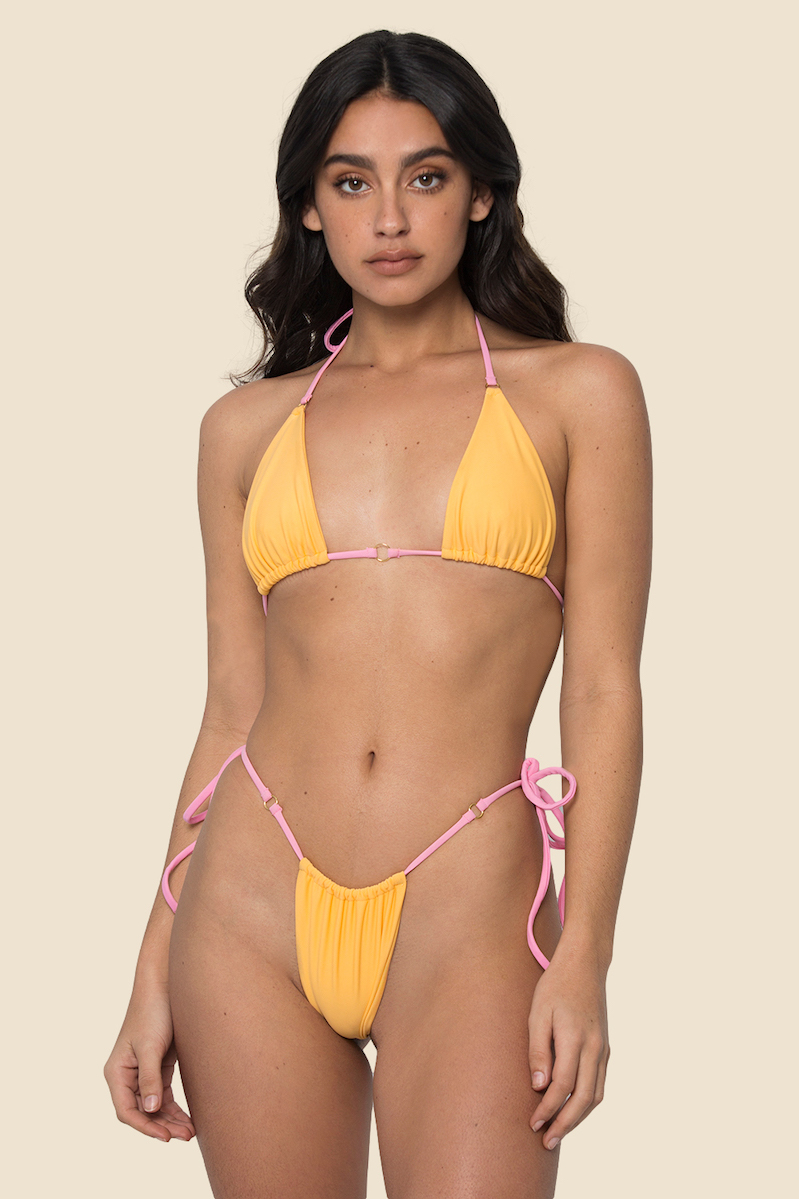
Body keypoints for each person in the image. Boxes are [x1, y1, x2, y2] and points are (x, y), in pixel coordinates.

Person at [104, 28, 651, 1199]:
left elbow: (604, 685)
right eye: (351, 182)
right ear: (309, 206)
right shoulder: (245, 429)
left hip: (470, 907)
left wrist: (585, 957)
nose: (389, 219)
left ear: (480, 193)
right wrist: (150, 967)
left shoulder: (579, 393)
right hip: (248, 903)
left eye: (426, 176)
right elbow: (231, 707)